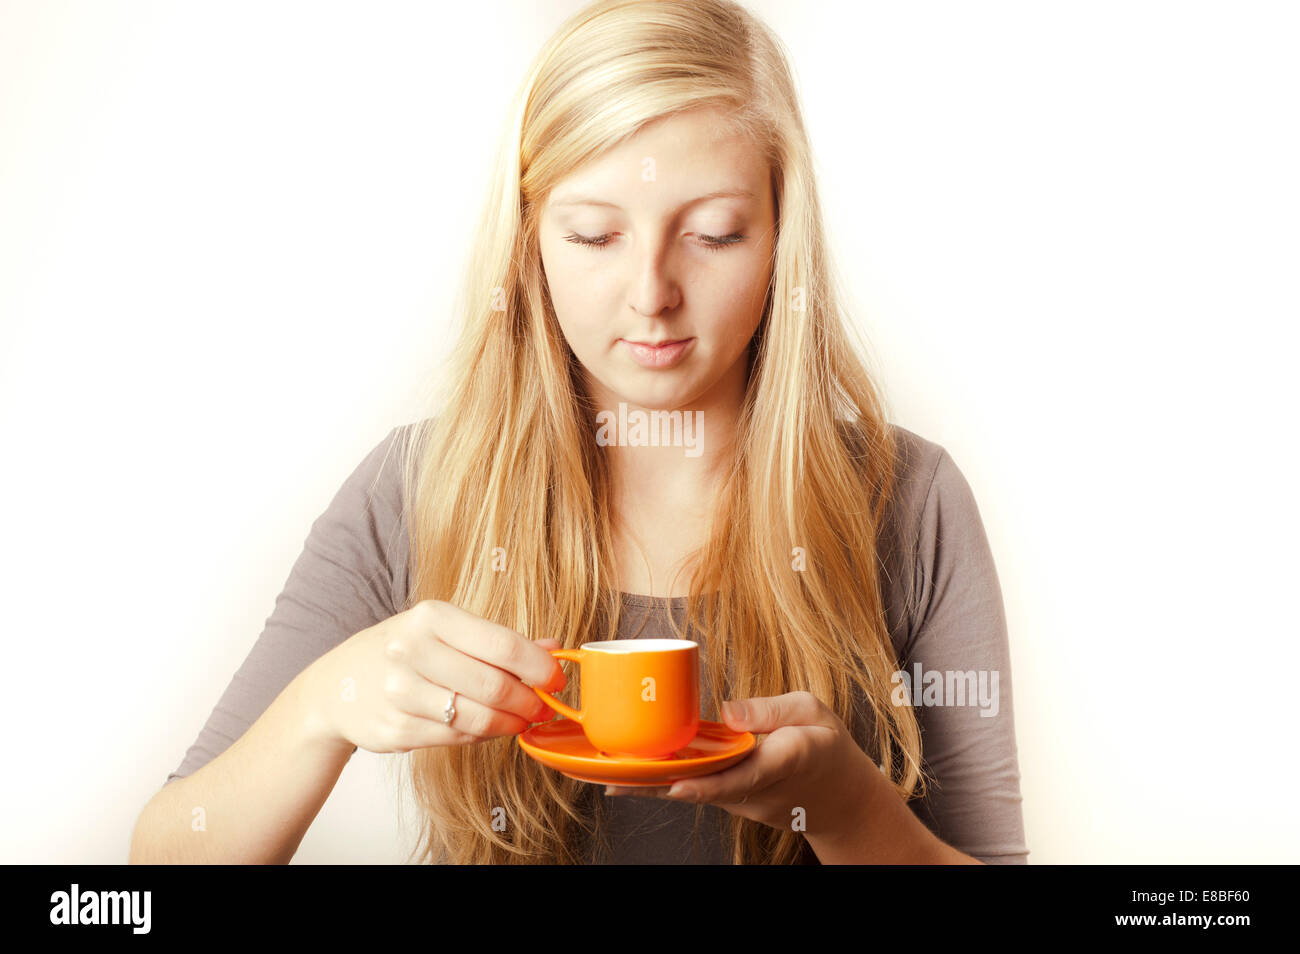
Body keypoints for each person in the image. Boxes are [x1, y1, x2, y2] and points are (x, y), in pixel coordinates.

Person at [129, 0, 1028, 865]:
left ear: (782, 237)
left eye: (713, 235)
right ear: (530, 242)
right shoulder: (416, 488)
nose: (651, 292)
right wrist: (323, 706)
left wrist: (846, 808)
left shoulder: (909, 503)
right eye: (596, 236)